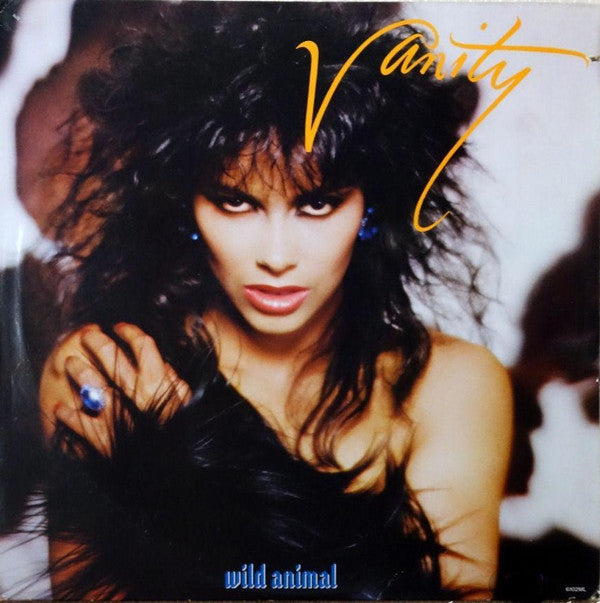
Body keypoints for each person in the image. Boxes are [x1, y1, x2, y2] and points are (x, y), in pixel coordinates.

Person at [36, 2, 512, 599]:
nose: (277, 256)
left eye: (317, 203)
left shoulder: (452, 386)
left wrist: (187, 471)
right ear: (186, 205)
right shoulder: (107, 373)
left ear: (371, 207)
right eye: (235, 202)